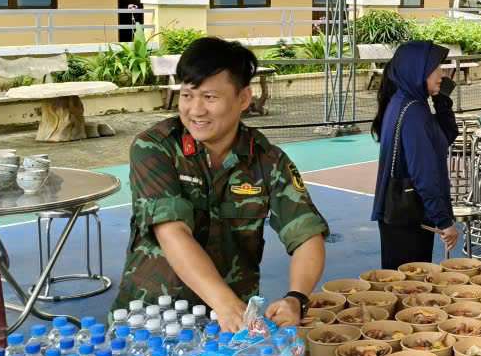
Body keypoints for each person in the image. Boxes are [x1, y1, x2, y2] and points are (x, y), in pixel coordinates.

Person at [114, 37, 328, 332]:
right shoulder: (155, 148)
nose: (195, 110)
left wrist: (297, 297)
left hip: (231, 326)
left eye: (209, 97)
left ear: (244, 98)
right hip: (154, 319)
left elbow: (306, 234)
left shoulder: (267, 160)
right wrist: (225, 304)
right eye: (187, 95)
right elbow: (172, 231)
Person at [370, 41, 461, 270]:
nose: (441, 74)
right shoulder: (414, 112)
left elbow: (444, 137)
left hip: (400, 217)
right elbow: (424, 174)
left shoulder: (404, 101)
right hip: (410, 219)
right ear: (417, 71)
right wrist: (444, 221)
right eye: (435, 69)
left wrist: (441, 100)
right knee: (410, 285)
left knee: (400, 283)